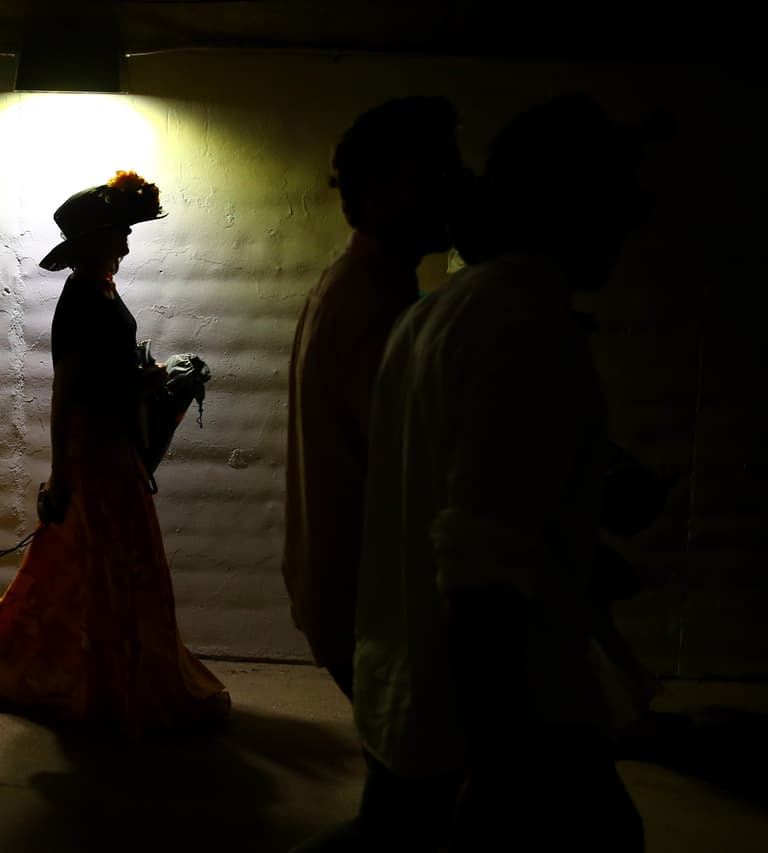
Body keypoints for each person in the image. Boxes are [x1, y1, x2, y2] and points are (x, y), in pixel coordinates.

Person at [349, 95, 667, 851]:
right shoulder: (530, 331)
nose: (631, 221)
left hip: (409, 695)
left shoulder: (433, 315)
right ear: (572, 205)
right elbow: (480, 571)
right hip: (509, 719)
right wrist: (495, 768)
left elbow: (446, 509)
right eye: (616, 196)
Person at [0, 171, 230, 736]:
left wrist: (152, 377)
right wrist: (61, 475)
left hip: (112, 443)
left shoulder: (103, 289)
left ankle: (105, 672)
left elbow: (109, 374)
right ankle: (103, 681)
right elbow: (67, 391)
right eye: (120, 233)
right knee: (108, 564)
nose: (127, 243)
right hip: (93, 450)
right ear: (95, 240)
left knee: (102, 562)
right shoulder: (79, 300)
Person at [282, 96, 465, 701]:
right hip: (376, 597)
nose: (454, 187)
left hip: (346, 586)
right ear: (384, 190)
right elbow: (418, 465)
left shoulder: (360, 283)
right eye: (437, 171)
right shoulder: (375, 303)